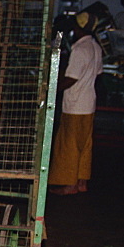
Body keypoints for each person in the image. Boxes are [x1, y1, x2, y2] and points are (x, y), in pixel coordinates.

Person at [49, 12, 104, 196]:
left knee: (69, 145)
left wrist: (52, 90)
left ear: (77, 29)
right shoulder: (96, 47)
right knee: (85, 144)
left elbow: (71, 79)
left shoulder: (80, 50)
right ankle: (81, 183)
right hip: (89, 104)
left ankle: (69, 185)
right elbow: (97, 74)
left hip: (75, 106)